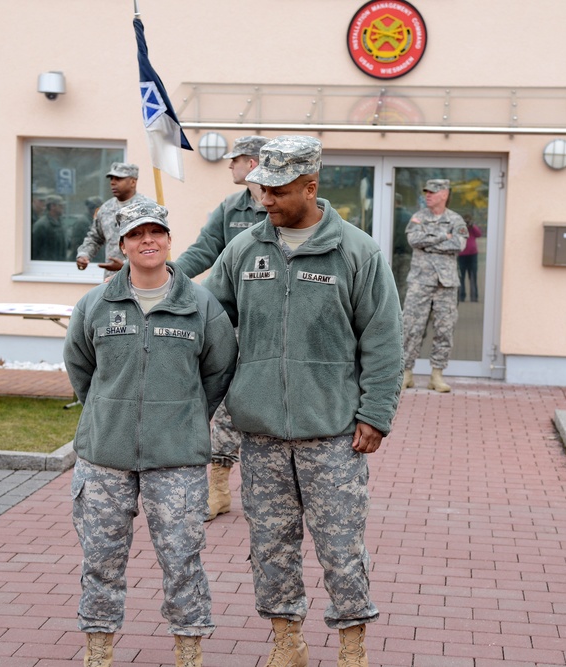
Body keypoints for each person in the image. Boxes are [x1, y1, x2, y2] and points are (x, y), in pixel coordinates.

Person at [203, 135, 403, 667]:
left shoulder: (356, 252)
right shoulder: (245, 249)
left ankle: (351, 646)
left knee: (340, 548)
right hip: (261, 433)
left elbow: (383, 341)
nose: (264, 201)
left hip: (333, 433)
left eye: (277, 190)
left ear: (311, 186)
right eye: (260, 189)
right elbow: (211, 323)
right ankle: (287, 644)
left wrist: (376, 414)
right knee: (270, 548)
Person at [63, 200, 237, 667]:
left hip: (176, 458)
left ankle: (188, 649)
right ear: (122, 244)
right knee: (101, 560)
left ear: (168, 240)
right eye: (137, 234)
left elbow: (219, 372)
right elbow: (81, 368)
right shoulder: (96, 305)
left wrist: (183, 416)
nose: (148, 241)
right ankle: (98, 649)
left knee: (182, 560)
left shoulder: (200, 305)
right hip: (105, 456)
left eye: (156, 232)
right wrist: (109, 412)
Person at [175, 134, 268, 522]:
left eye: (235, 160)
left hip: (274, 326)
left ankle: (271, 489)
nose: (229, 166)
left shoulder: (285, 206)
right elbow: (203, 250)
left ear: (251, 164)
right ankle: (218, 486)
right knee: (226, 401)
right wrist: (166, 277)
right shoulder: (231, 209)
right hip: (234, 324)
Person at [399, 179, 469, 394]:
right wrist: (443, 236)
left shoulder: (455, 220)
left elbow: (459, 244)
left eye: (433, 192)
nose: (428, 195)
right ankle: (406, 373)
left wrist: (429, 241)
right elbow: (414, 240)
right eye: (427, 191)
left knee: (444, 329)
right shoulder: (419, 217)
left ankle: (436, 375)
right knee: (411, 328)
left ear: (444, 194)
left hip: (446, 284)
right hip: (420, 281)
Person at [75, 162, 153, 279]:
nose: (112, 182)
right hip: (112, 281)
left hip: (142, 280)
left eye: (118, 179)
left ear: (133, 182)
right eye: (111, 178)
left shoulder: (148, 207)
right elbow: (95, 238)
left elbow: (154, 245)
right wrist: (84, 255)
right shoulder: (105, 209)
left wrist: (125, 266)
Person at [31, 193, 68, 261]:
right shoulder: (41, 225)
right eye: (60, 205)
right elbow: (34, 249)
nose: (63, 207)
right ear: (52, 206)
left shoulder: (61, 223)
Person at [457, 217, 483, 303]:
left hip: (472, 255)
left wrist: (473, 226)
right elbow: (459, 235)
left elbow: (479, 234)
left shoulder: (472, 229)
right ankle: (461, 296)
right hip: (462, 255)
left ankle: (474, 297)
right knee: (461, 277)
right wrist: (463, 226)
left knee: (473, 277)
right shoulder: (461, 228)